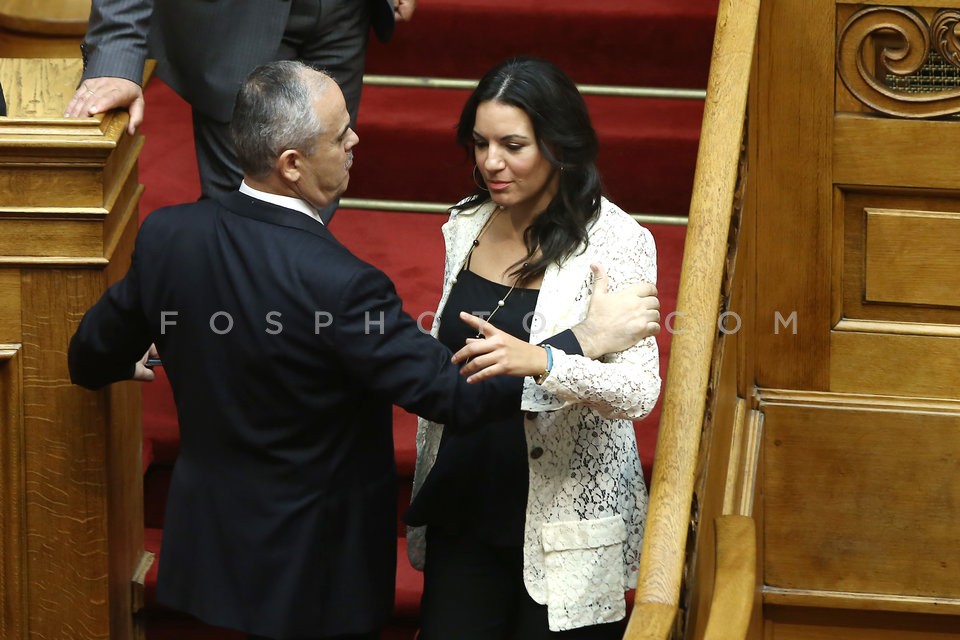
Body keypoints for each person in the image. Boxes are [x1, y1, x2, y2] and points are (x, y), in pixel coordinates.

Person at [67, 60, 660, 640]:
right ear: (292, 164)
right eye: (338, 134)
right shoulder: (345, 284)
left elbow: (88, 354)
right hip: (317, 567)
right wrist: (581, 340)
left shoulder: (168, 235)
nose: (355, 140)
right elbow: (453, 394)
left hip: (213, 544)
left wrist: (136, 352)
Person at [405, 56, 662, 639]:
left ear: (558, 145)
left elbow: (638, 392)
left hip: (564, 524)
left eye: (512, 145)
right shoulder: (466, 223)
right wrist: (580, 341)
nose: (491, 162)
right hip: (466, 500)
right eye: (480, 143)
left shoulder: (617, 240)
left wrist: (544, 361)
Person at [63, 0, 416, 222]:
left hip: (347, 14)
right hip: (235, 21)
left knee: (321, 183)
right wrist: (116, 51)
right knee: (242, 208)